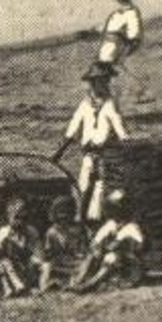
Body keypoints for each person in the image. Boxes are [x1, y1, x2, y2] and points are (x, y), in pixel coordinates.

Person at [53, 63, 130, 222]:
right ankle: (79, 219)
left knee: (102, 187)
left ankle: (96, 220)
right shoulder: (85, 105)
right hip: (89, 154)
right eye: (97, 81)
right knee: (83, 186)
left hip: (106, 154)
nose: (101, 85)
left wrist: (126, 144)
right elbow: (73, 127)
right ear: (92, 83)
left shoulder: (110, 104)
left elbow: (119, 126)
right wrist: (60, 151)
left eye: (104, 81)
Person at [71, 196, 147, 292]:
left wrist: (123, 246)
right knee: (92, 255)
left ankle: (91, 284)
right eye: (111, 210)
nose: (112, 213)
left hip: (130, 266)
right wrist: (97, 248)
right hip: (112, 261)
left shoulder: (132, 227)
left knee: (111, 257)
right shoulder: (110, 224)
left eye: (115, 209)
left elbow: (141, 246)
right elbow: (96, 241)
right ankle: (79, 280)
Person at [98, 0, 143, 89]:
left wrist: (122, 56)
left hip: (114, 52)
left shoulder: (131, 13)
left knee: (103, 80)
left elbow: (134, 39)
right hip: (108, 50)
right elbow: (106, 29)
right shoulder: (117, 13)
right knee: (101, 79)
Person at [39, 195, 89, 291]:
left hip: (75, 262)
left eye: (67, 213)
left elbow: (83, 250)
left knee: (85, 264)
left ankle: (75, 284)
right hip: (59, 262)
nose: (64, 216)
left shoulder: (79, 229)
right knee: (47, 266)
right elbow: (48, 253)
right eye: (61, 213)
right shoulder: (52, 232)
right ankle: (45, 287)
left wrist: (79, 256)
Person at [0, 198, 41, 298]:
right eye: (16, 218)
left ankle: (31, 285)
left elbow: (36, 250)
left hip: (25, 263)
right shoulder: (4, 232)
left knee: (36, 262)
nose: (19, 221)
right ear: (8, 217)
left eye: (23, 218)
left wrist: (34, 257)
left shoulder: (31, 231)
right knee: (4, 263)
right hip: (9, 265)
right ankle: (14, 286)